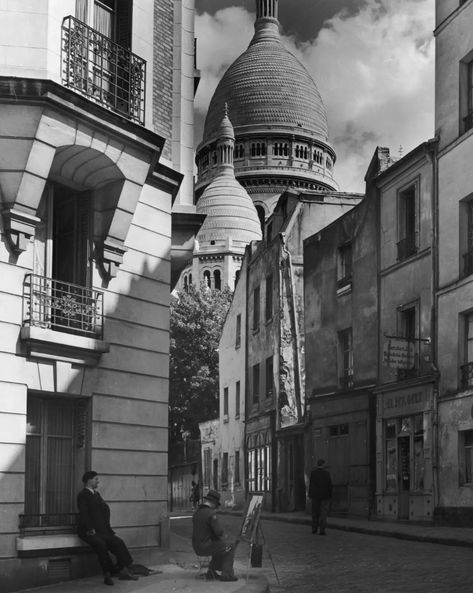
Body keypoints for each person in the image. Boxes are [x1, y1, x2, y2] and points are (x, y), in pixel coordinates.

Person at [77, 471, 139, 586]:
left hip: (102, 530)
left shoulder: (96, 494)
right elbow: (84, 514)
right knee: (101, 545)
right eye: (96, 479)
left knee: (118, 542)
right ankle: (107, 574)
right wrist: (90, 528)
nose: (98, 481)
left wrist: (106, 528)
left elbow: (103, 510)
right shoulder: (82, 495)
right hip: (88, 531)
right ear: (89, 480)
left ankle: (124, 571)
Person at [192, 489, 238, 581]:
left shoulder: (197, 512)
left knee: (220, 546)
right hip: (205, 547)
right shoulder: (210, 513)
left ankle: (212, 571)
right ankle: (227, 575)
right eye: (216, 506)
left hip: (196, 546)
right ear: (213, 503)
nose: (215, 508)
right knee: (230, 546)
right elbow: (219, 531)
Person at [308, 459, 333, 535]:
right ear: (323, 464)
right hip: (325, 496)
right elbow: (330, 486)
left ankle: (314, 529)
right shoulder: (327, 474)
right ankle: (322, 530)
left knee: (315, 513)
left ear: (317, 464)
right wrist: (330, 495)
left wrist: (310, 495)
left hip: (315, 496)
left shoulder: (313, 473)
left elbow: (311, 485)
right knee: (323, 513)